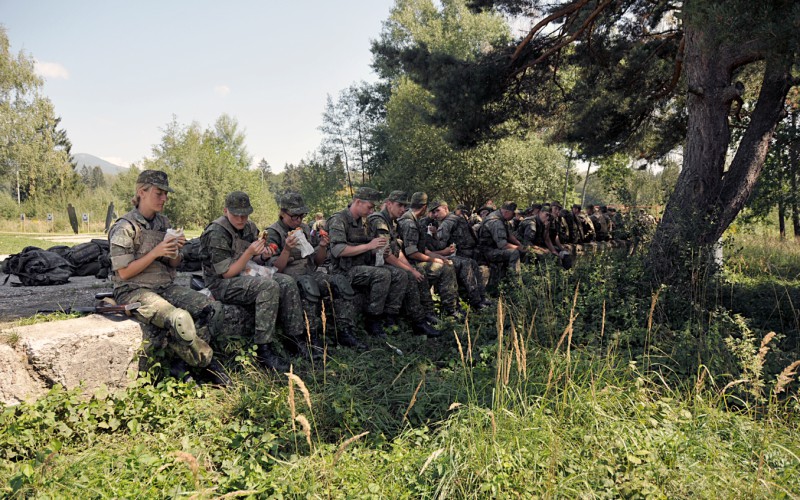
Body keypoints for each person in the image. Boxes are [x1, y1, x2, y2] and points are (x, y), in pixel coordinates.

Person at [109, 170, 229, 385]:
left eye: (166, 194)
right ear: (141, 192)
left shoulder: (163, 223)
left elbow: (174, 263)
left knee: (211, 308)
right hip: (133, 290)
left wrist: (174, 251)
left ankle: (180, 363)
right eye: (159, 193)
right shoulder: (124, 227)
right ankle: (208, 365)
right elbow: (124, 272)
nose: (164, 198)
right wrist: (156, 251)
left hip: (163, 286)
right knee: (178, 318)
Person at [200, 191, 309, 371]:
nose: (241, 219)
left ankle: (295, 338)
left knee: (287, 282)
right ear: (225, 210)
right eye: (236, 214)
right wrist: (250, 253)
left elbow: (255, 260)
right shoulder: (217, 232)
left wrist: (263, 256)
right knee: (269, 286)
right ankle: (263, 350)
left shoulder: (250, 227)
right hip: (221, 284)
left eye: (245, 214)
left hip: (246, 274)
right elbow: (226, 273)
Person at [266, 192, 363, 348]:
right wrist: (286, 250)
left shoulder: (304, 228)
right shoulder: (273, 232)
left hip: (309, 272)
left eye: (301, 216)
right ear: (283, 213)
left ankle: (344, 331)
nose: (298, 220)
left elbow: (316, 261)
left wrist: (323, 246)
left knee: (339, 282)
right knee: (308, 285)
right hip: (289, 277)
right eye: (294, 216)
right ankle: (311, 337)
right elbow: (274, 269)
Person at [327, 187, 403, 339]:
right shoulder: (339, 220)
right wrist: (369, 246)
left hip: (362, 266)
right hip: (343, 270)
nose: (371, 211)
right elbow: (338, 250)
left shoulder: (364, 222)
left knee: (399, 274)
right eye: (369, 207)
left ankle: (389, 316)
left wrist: (379, 250)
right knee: (382, 274)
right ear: (358, 202)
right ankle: (372, 319)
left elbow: (367, 247)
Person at [367, 191, 442, 337]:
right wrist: (410, 270)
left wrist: (410, 268)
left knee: (413, 271)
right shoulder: (379, 221)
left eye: (405, 206)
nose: (403, 209)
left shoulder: (393, 222)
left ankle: (424, 314)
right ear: (389, 204)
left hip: (382, 261)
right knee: (407, 274)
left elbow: (397, 251)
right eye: (399, 205)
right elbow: (386, 254)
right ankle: (416, 321)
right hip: (373, 262)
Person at [397, 192, 461, 319]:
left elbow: (422, 249)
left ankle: (450, 307)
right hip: (408, 263)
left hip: (410, 260)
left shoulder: (413, 220)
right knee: (445, 269)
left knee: (446, 264)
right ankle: (449, 309)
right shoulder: (409, 223)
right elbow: (412, 253)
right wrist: (435, 260)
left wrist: (440, 258)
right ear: (424, 207)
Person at [427, 200, 491, 310]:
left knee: (469, 265)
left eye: (438, 211)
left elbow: (440, 245)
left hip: (463, 252)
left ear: (446, 209)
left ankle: (478, 299)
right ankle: (479, 299)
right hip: (468, 252)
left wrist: (433, 235)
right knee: (469, 265)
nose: (435, 215)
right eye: (433, 212)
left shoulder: (447, 222)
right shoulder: (454, 218)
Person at [477, 201, 525, 285]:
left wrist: (519, 244)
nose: (514, 216)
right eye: (513, 214)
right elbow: (503, 245)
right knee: (514, 253)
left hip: (493, 248)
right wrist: (519, 248)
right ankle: (515, 284)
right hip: (487, 252)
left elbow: (509, 235)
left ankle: (507, 279)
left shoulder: (501, 217)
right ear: (506, 212)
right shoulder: (496, 222)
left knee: (520, 249)